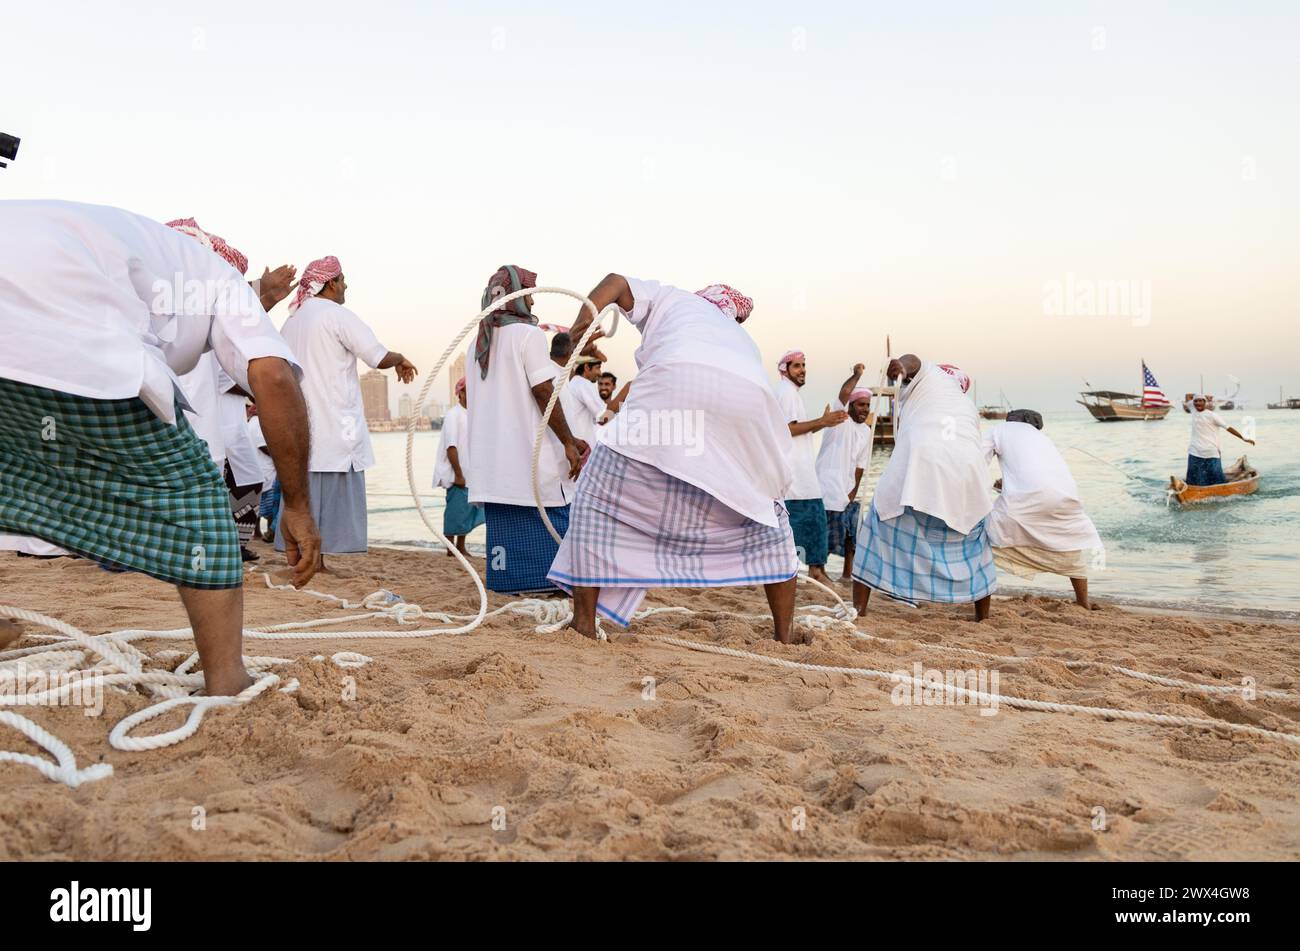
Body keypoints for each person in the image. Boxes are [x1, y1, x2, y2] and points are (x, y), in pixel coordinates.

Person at [0, 200, 319, 695]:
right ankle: (227, 681)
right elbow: (272, 374)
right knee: (197, 500)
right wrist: (297, 503)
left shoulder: (128, 238)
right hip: (77, 329)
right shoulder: (217, 277)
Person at [548, 276, 803, 643]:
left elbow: (616, 282)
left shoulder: (672, 298)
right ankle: (785, 634)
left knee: (595, 498)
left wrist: (580, 326)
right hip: (749, 402)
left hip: (677, 384)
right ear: (731, 313)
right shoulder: (739, 338)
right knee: (767, 510)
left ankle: (584, 624)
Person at [275, 255, 417, 569]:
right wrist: (400, 358)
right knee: (328, 497)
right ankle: (318, 563)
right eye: (342, 279)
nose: (346, 285)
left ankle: (302, 559)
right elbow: (376, 356)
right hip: (335, 427)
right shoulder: (336, 315)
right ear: (330, 283)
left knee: (304, 494)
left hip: (298, 427)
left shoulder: (291, 321)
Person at [465, 265, 586, 595]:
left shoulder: (476, 346)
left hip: (493, 466)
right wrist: (568, 442)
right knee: (557, 519)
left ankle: (513, 583)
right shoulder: (529, 336)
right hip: (529, 460)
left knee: (509, 529)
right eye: (529, 294)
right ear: (516, 297)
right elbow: (543, 390)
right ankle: (557, 584)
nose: (532, 303)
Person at [851, 354, 996, 621]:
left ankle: (858, 609)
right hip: (967, 472)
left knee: (876, 523)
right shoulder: (967, 406)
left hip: (924, 460)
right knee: (976, 542)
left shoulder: (935, 377)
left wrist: (903, 366)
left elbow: (915, 361)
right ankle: (982, 617)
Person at [983, 409, 1104, 608]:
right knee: (1071, 550)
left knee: (983, 543)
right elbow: (1040, 476)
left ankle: (982, 612)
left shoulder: (1000, 429)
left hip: (1024, 503)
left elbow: (976, 462)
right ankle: (1084, 603)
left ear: (1010, 420)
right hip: (1067, 500)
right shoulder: (1044, 440)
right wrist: (1008, 485)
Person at [775, 350, 847, 584]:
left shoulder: (791, 393)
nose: (802, 369)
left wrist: (822, 423)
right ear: (784, 370)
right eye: (796, 366)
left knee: (805, 523)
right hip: (796, 475)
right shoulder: (786, 392)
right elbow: (787, 429)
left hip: (800, 473)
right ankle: (815, 571)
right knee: (813, 521)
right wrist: (822, 422)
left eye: (804, 365)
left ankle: (813, 570)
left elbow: (799, 429)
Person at [816, 364, 873, 584]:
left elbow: (860, 466)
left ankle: (848, 574)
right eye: (860, 405)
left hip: (847, 492)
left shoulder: (867, 431)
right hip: (827, 488)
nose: (865, 409)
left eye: (867, 405)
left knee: (853, 533)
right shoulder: (840, 420)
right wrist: (857, 374)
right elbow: (844, 393)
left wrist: (853, 493)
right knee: (827, 535)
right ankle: (818, 571)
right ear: (851, 405)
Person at [433, 377, 484, 557]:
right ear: (460, 393)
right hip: (457, 474)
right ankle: (451, 549)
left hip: (471, 473)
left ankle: (460, 547)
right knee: (455, 512)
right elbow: (451, 446)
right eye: (468, 391)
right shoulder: (453, 415)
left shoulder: (473, 415)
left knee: (468, 511)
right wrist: (458, 474)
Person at [1186, 395, 1255, 485]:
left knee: (1217, 480)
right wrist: (1205, 396)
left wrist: (1243, 438)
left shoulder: (1212, 416)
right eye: (1196, 401)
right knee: (1192, 480)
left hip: (1211, 452)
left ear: (1205, 402)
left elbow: (1228, 427)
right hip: (1194, 451)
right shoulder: (1193, 409)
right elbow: (1188, 397)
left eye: (1200, 401)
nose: (1198, 403)